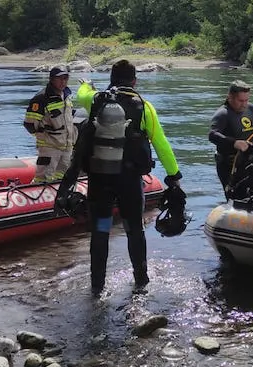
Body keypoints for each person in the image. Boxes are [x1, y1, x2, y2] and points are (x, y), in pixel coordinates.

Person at [70, 59, 183, 296]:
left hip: (100, 179)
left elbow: (81, 94)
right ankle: (141, 282)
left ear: (111, 78)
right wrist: (174, 175)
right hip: (129, 181)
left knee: (101, 230)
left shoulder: (96, 100)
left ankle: (97, 287)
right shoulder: (144, 107)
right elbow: (161, 144)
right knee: (134, 230)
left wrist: (86, 84)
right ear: (134, 81)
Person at [208, 80, 253, 200]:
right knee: (236, 198)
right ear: (230, 97)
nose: (244, 104)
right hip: (230, 165)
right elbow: (212, 135)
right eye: (240, 101)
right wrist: (234, 143)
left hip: (250, 162)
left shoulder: (252, 109)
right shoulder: (223, 114)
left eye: (246, 100)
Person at [24, 66, 77, 183]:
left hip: (67, 147)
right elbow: (30, 125)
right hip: (49, 148)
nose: (63, 82)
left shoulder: (67, 95)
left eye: (65, 78)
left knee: (62, 178)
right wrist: (44, 136)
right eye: (60, 79)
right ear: (52, 79)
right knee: (42, 179)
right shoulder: (41, 98)